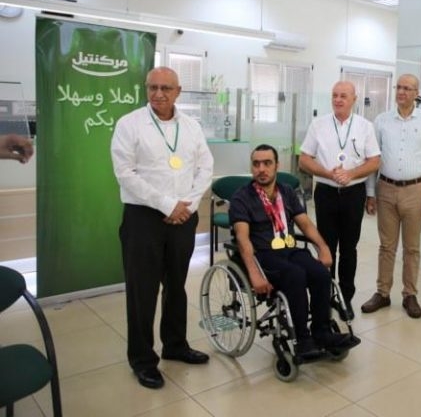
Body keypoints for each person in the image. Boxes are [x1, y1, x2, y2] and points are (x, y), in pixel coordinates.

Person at [111, 67, 213, 389]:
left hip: (183, 218)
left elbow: (205, 167)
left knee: (176, 285)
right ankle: (142, 359)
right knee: (142, 292)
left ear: (178, 91)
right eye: (152, 87)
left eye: (166, 88)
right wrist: (167, 205)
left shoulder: (191, 126)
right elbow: (125, 173)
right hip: (143, 219)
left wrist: (188, 205)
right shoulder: (129, 124)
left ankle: (175, 345)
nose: (158, 94)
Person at [229, 145, 360, 358]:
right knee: (295, 275)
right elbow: (242, 239)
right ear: (252, 167)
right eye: (256, 164)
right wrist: (254, 273)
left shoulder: (286, 192)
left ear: (277, 166)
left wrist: (323, 247)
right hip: (263, 256)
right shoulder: (242, 198)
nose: (261, 169)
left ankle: (322, 332)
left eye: (267, 163)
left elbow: (305, 224)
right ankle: (302, 339)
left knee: (320, 273)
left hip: (289, 249)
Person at [361, 74, 421, 319]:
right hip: (386, 189)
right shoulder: (381, 120)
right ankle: (382, 293)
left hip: (416, 191)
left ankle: (410, 295)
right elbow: (372, 160)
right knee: (386, 246)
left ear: (416, 93)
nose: (402, 92)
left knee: (412, 247)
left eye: (407, 88)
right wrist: (370, 193)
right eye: (399, 87)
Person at [299, 81, 381, 319]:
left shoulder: (365, 126)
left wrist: (351, 174)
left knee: (348, 249)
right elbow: (304, 159)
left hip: (353, 194)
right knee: (325, 247)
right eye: (334, 95)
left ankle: (345, 299)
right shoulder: (318, 125)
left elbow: (375, 161)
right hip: (326, 192)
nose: (338, 99)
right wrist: (329, 173)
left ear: (354, 99)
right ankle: (324, 298)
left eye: (343, 96)